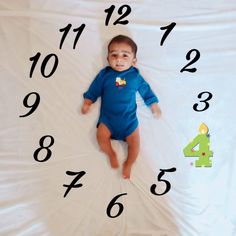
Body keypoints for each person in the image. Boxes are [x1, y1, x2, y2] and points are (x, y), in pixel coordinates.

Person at [81, 35, 161, 179]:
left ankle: (128, 164)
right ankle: (111, 153)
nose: (119, 59)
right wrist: (88, 101)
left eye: (125, 55)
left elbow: (145, 90)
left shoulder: (135, 76)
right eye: (114, 55)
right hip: (108, 120)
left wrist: (153, 105)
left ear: (134, 61)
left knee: (135, 144)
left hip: (129, 121)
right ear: (108, 59)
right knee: (100, 137)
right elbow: (94, 88)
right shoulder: (104, 74)